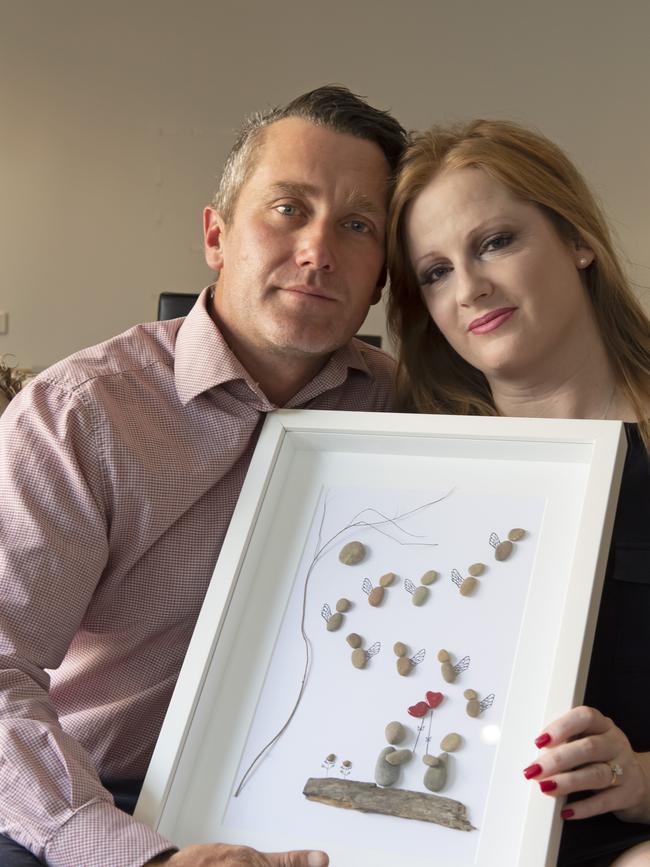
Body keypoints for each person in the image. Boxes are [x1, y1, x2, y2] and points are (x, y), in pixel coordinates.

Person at [0, 85, 407, 867]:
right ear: (217, 235)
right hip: (98, 794)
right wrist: (128, 855)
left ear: (382, 275)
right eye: (289, 208)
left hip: (323, 794)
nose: (319, 250)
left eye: (357, 226)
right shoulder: (78, 416)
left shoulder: (405, 410)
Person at [386, 119, 650, 867]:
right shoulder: (407, 475)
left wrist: (637, 779)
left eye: (495, 242)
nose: (470, 288)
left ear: (577, 239)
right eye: (435, 272)